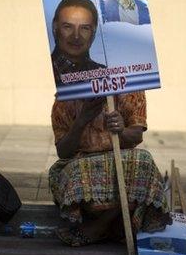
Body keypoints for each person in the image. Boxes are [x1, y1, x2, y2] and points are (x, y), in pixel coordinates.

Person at [49, 92, 168, 246]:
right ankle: (112, 225)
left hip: (122, 156)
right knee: (77, 171)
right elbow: (63, 152)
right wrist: (82, 120)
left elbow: (137, 136)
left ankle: (101, 226)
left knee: (144, 161)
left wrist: (122, 130)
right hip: (81, 159)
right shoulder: (67, 97)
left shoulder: (130, 90)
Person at [50, 0, 106, 86]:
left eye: (84, 28)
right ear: (55, 27)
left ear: (94, 31)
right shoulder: (41, 73)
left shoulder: (105, 76)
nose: (76, 36)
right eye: (68, 27)